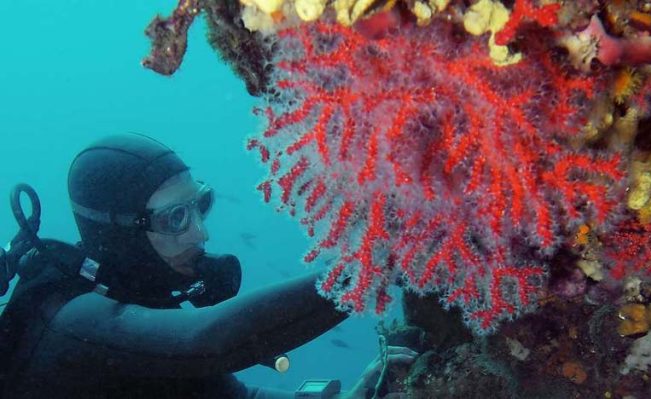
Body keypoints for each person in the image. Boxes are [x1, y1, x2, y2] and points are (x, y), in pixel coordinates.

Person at [0, 133, 416, 399]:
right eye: (176, 218)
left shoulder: (146, 304)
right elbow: (208, 341)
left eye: (200, 206)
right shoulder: (69, 320)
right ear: (121, 231)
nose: (201, 235)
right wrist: (377, 264)